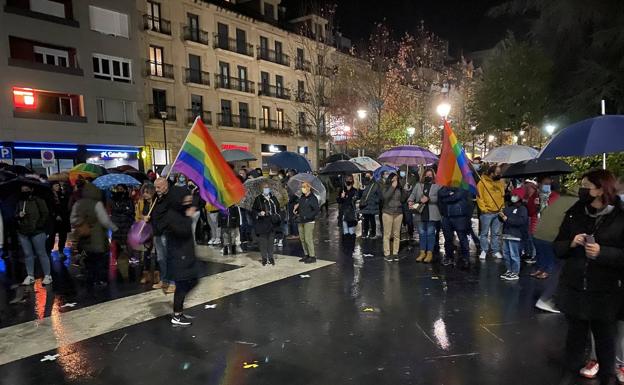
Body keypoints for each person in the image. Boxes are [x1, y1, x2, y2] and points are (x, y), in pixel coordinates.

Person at [554, 169, 624, 385]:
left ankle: (608, 375)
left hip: (606, 292)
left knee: (605, 340)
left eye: (587, 185)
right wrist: (570, 243)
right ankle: (569, 373)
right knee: (574, 337)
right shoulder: (575, 212)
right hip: (575, 288)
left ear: (601, 189)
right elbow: (557, 246)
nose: (582, 189)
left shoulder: (620, 217)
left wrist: (603, 253)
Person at [71, 182, 118, 287]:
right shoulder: (97, 204)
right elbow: (104, 220)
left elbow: (72, 219)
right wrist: (114, 228)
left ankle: (90, 278)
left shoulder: (78, 204)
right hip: (98, 236)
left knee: (88, 258)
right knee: (100, 259)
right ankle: (101, 279)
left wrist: (81, 223)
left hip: (84, 236)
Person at [163, 194, 199, 326]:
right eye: (186, 200)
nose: (188, 203)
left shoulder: (180, 213)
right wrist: (189, 217)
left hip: (185, 255)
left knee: (191, 282)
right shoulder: (172, 215)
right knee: (182, 285)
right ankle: (177, 315)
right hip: (178, 256)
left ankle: (179, 310)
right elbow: (182, 231)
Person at [15, 184, 52, 285]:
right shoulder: (20, 202)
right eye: (22, 189)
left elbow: (45, 213)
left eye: (26, 189)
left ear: (32, 189)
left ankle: (47, 275)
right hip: (23, 231)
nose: (24, 191)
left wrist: (38, 225)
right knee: (28, 254)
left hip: (37, 231)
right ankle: (30, 275)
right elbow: (16, 214)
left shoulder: (38, 200)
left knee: (41, 253)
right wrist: (19, 215)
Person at [531, 177, 562, 279]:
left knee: (547, 249)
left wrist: (544, 203)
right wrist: (535, 204)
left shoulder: (555, 196)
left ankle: (548, 269)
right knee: (539, 249)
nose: (544, 186)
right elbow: (530, 209)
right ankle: (540, 267)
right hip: (537, 225)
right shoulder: (536, 195)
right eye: (543, 183)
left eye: (547, 184)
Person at [409, 168, 441, 264]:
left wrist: (429, 198)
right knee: (422, 233)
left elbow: (439, 198)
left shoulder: (437, 186)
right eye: (427, 175)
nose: (428, 177)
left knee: (430, 233)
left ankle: (429, 253)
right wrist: (410, 201)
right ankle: (422, 252)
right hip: (420, 212)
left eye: (430, 175)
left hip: (432, 212)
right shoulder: (418, 185)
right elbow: (413, 195)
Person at [498, 188, 529, 281]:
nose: (513, 197)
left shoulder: (522, 209)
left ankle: (515, 272)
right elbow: (503, 219)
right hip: (506, 234)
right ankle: (509, 270)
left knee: (514, 254)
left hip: (515, 235)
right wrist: (501, 216)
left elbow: (521, 221)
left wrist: (507, 219)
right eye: (513, 195)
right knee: (506, 254)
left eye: (515, 195)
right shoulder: (508, 207)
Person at [438, 186, 471, 269]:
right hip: (446, 216)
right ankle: (449, 257)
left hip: (459, 216)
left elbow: (456, 197)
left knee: (462, 238)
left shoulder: (463, 188)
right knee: (448, 239)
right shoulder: (444, 188)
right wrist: (449, 194)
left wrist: (446, 197)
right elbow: (440, 194)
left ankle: (466, 258)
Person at [476, 164, 505, 260]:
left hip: (498, 211)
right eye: (497, 173)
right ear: (491, 173)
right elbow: (479, 197)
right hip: (487, 212)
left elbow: (502, 196)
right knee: (484, 233)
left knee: (496, 233)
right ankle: (484, 250)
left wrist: (502, 207)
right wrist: (484, 209)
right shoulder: (482, 182)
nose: (499, 174)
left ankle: (495, 250)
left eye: (500, 173)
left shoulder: (500, 182)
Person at [109, 184, 134, 282]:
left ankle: (126, 271)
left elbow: (131, 212)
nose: (119, 191)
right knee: (119, 250)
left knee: (127, 250)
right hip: (117, 228)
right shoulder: (113, 199)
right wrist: (124, 210)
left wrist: (124, 212)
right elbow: (114, 211)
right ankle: (122, 272)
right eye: (118, 189)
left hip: (126, 228)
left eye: (121, 189)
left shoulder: (129, 200)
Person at [382, 173, 409, 262]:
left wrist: (405, 190)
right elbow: (385, 197)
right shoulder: (385, 187)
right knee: (387, 234)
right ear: (390, 179)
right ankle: (387, 253)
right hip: (387, 212)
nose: (395, 180)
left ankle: (395, 253)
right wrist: (392, 187)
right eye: (393, 178)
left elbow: (403, 200)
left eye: (396, 178)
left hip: (398, 213)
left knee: (397, 234)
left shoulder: (400, 188)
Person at [252, 182, 281, 265]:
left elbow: (278, 209)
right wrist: (259, 213)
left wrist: (276, 216)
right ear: (261, 189)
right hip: (262, 223)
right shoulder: (258, 199)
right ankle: (264, 258)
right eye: (264, 187)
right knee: (263, 242)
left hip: (272, 223)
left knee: (271, 241)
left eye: (267, 187)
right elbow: (254, 211)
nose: (266, 189)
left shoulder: (273, 198)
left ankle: (271, 257)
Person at [135, 183, 157, 284]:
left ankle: (157, 275)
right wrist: (143, 217)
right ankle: (146, 274)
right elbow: (138, 215)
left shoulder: (157, 202)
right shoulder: (142, 202)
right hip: (146, 230)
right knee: (146, 253)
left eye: (147, 192)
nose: (145, 194)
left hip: (156, 230)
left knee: (157, 254)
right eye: (144, 192)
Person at [294, 182, 320, 263]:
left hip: (309, 221)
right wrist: (296, 209)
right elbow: (301, 208)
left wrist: (307, 216)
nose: (303, 188)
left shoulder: (313, 198)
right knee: (302, 238)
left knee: (308, 238)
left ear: (309, 188)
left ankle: (312, 256)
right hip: (301, 220)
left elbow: (316, 210)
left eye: (304, 187)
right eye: (302, 187)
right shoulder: (302, 197)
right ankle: (306, 254)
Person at [47, 182, 70, 257]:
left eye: (58, 185)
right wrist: (55, 215)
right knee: (52, 236)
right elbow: (49, 207)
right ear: (52, 186)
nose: (58, 187)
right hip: (54, 219)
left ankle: (61, 250)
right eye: (56, 185)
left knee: (63, 235)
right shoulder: (50, 195)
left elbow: (66, 205)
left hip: (63, 218)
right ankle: (49, 250)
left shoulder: (62, 194)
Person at [359, 172, 381, 239]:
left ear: (371, 176)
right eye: (366, 176)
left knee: (372, 219)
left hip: (372, 205)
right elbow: (361, 195)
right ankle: (365, 233)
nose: (366, 177)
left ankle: (373, 233)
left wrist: (375, 201)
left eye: (367, 175)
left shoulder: (375, 184)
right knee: (365, 219)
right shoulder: (364, 184)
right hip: (365, 205)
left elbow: (379, 195)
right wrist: (360, 190)